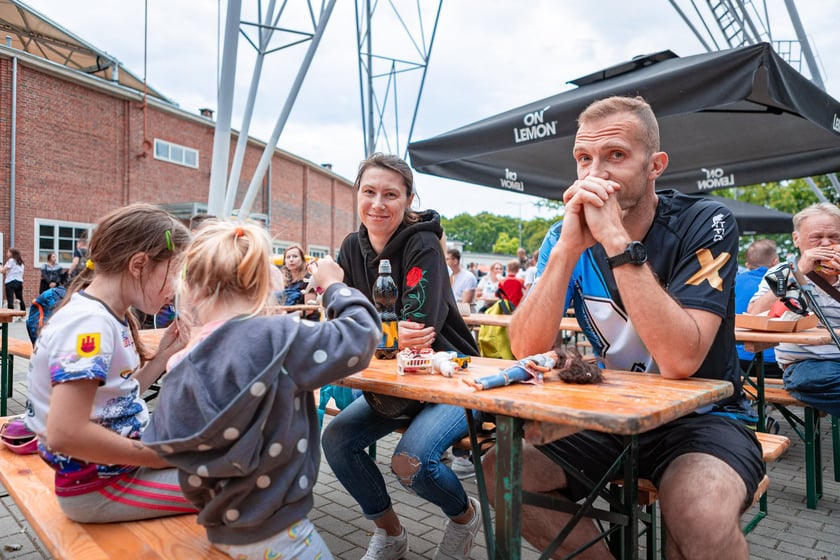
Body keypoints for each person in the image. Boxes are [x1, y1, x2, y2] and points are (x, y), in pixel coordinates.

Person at [486, 96, 763, 559]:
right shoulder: (563, 235)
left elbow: (680, 360)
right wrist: (566, 249)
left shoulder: (705, 221)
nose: (595, 174)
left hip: (705, 417)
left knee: (700, 516)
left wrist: (616, 240)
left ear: (655, 166)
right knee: (501, 468)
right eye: (583, 158)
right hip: (613, 413)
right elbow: (526, 348)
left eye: (615, 155)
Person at [142, 220, 379, 560]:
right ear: (264, 285)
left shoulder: (181, 364)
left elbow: (166, 448)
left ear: (190, 288)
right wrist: (333, 287)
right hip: (284, 532)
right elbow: (361, 336)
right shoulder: (279, 338)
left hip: (223, 530)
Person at [322, 153, 482, 560]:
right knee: (336, 440)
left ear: (409, 199)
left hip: (452, 377)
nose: (378, 204)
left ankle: (464, 517)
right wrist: (380, 331)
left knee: (412, 461)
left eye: (390, 195)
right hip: (396, 383)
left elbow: (420, 330)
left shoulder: (423, 243)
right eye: (369, 192)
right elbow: (340, 324)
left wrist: (363, 327)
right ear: (357, 194)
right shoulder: (350, 246)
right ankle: (391, 534)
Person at [23, 203, 196, 523]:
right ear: (139, 264)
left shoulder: (105, 313)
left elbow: (113, 400)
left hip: (112, 471)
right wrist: (157, 456)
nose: (177, 289)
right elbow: (65, 433)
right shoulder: (90, 324)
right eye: (176, 274)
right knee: (241, 487)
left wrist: (163, 356)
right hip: (100, 487)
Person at [747, 202, 840, 418]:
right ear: (796, 239)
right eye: (817, 237)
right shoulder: (781, 272)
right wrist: (797, 273)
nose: (826, 243)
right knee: (820, 379)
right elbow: (754, 314)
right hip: (806, 365)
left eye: (834, 237)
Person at [735, 239, 782, 378]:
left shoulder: (734, 282)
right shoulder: (782, 283)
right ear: (775, 262)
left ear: (747, 264)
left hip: (738, 360)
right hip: (773, 362)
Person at [1, 248, 25, 313]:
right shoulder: (21, 263)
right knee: (20, 299)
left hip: (10, 282)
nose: (7, 253)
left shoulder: (11, 260)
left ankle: (11, 314)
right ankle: (23, 314)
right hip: (19, 282)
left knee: (10, 300)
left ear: (12, 253)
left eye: (8, 252)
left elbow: (2, 271)